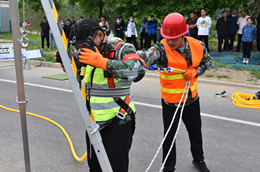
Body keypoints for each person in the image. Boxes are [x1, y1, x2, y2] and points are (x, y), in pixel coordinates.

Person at [57, 19, 146, 172]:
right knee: (95, 168)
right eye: (79, 47)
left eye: (84, 45)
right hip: (93, 121)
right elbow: (76, 70)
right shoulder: (90, 50)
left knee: (115, 168)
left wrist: (102, 62)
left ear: (99, 35)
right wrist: (65, 62)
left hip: (118, 120)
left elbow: (138, 70)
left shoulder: (122, 48)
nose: (82, 50)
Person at [137, 13, 212, 172]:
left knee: (195, 132)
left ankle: (198, 159)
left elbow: (208, 61)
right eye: (167, 38)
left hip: (191, 100)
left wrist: (196, 71)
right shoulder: (161, 49)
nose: (170, 41)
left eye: (174, 38)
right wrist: (128, 57)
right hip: (170, 102)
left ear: (183, 35)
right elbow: (145, 56)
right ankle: (168, 167)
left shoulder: (198, 45)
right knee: (169, 136)